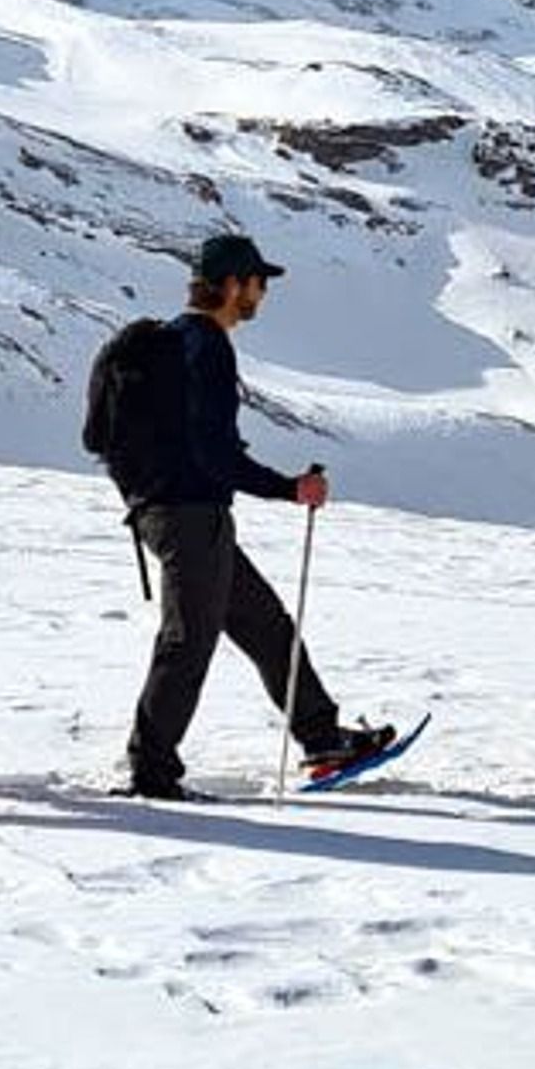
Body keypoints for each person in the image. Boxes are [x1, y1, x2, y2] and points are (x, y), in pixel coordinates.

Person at [117, 231, 392, 800]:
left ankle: (321, 736)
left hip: (177, 513)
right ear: (233, 285)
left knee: (266, 626)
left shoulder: (179, 342)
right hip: (189, 516)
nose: (262, 295)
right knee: (188, 641)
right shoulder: (206, 346)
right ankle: (151, 771)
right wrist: (290, 489)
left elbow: (204, 446)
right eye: (258, 283)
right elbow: (213, 452)